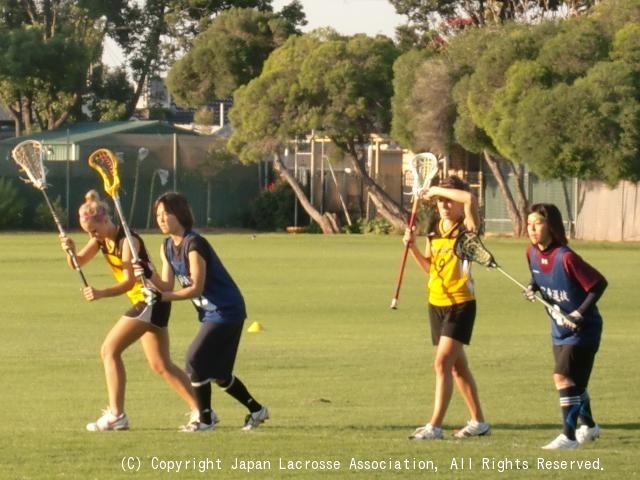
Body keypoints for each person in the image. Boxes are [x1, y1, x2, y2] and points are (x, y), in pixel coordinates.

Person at [60, 194, 199, 431]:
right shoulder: (101, 239)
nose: (90, 236)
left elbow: (127, 282)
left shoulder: (128, 241)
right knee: (161, 365)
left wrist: (101, 292)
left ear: (105, 221)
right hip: (147, 303)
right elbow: (78, 262)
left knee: (109, 350)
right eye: (87, 232)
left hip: (150, 300)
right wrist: (69, 251)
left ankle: (117, 415)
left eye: (93, 230)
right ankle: (202, 411)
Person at [140, 192, 268, 432]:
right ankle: (257, 410)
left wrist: (163, 297)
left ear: (180, 214)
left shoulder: (194, 244)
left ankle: (205, 420)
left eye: (166, 214)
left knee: (193, 359)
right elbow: (166, 285)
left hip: (227, 309)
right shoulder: (167, 246)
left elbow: (195, 286)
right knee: (219, 374)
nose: (161, 219)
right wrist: (148, 273)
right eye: (157, 215)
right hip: (211, 313)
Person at [404, 175, 490, 440]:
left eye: (448, 200)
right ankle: (479, 422)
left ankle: (434, 426)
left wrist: (434, 190)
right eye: (440, 201)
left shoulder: (468, 228)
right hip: (436, 303)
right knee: (456, 367)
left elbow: (470, 199)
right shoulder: (434, 228)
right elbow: (431, 269)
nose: (444, 205)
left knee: (441, 363)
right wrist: (413, 248)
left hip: (460, 304)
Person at [523, 203, 607, 449]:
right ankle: (589, 427)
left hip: (583, 331)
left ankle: (568, 437)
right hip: (558, 330)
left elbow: (599, 283)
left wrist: (580, 313)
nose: (532, 228)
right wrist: (532, 287)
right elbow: (538, 276)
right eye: (529, 224)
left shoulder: (566, 257)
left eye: (537, 223)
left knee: (562, 377)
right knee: (575, 385)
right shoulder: (531, 253)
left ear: (551, 225)